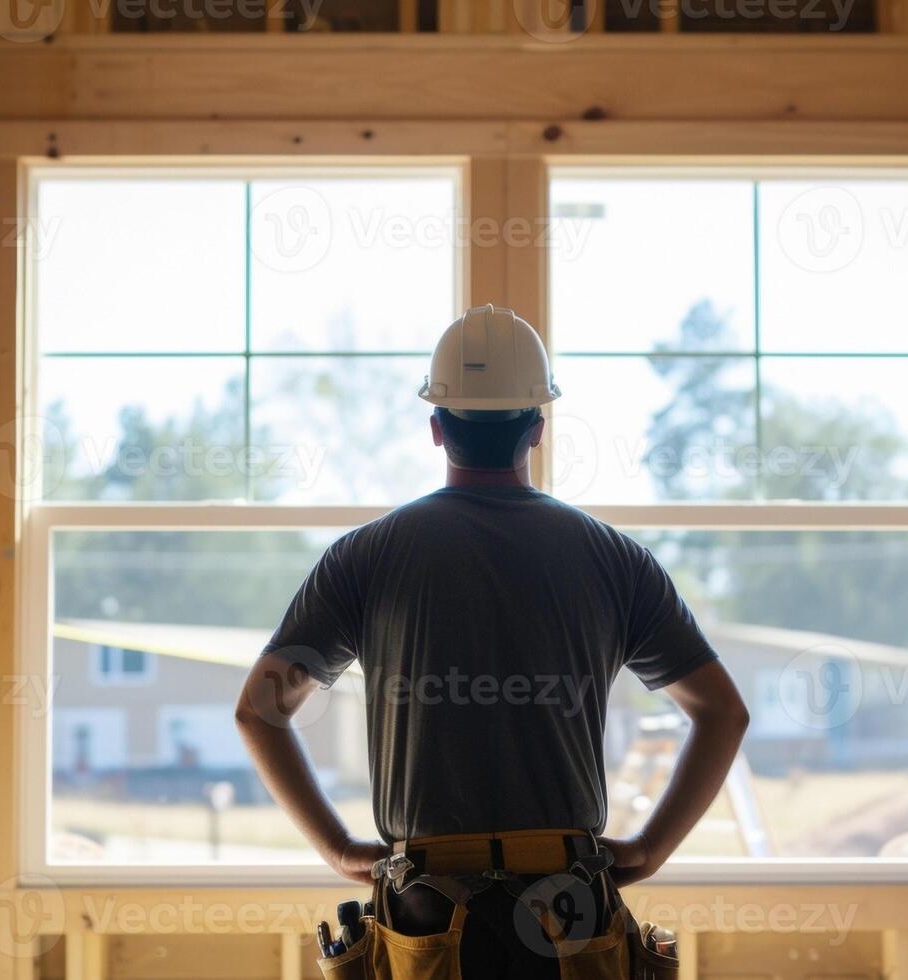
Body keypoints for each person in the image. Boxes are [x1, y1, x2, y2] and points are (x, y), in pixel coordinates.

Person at [236, 305, 749, 980]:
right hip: (567, 908)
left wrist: (338, 849)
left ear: (434, 428)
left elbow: (259, 711)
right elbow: (722, 712)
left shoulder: (363, 558)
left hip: (424, 904)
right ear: (536, 427)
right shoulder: (613, 559)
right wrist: (649, 850)